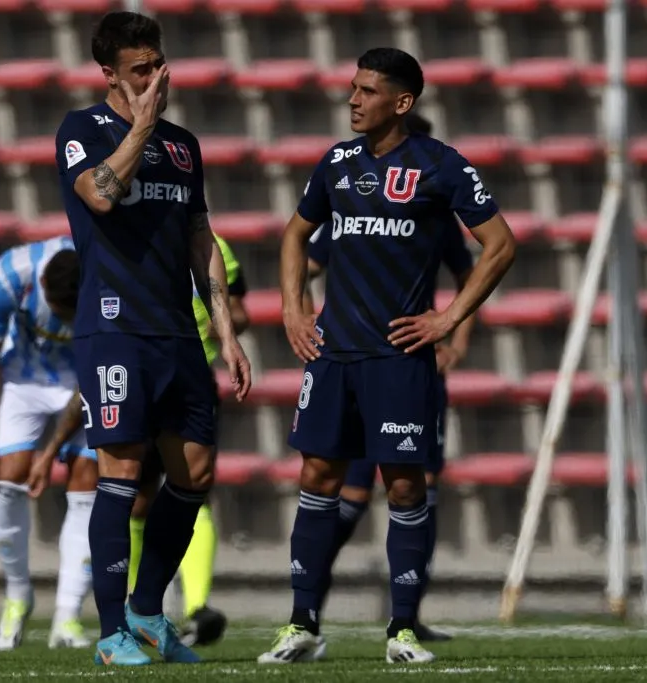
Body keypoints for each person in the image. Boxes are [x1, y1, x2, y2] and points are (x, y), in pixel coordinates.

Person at [260, 47, 515, 665]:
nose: (353, 99)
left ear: (402, 103)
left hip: (398, 359)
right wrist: (294, 308)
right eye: (353, 88)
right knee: (316, 478)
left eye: (368, 91)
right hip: (333, 356)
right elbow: (296, 233)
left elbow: (500, 245)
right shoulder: (337, 163)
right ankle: (302, 625)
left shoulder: (441, 165)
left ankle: (401, 629)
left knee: (404, 486)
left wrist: (451, 318)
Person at [54, 10, 251, 667]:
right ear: (109, 73)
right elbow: (101, 197)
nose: (155, 78)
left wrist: (227, 330)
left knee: (194, 470)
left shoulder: (183, 146)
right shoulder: (82, 131)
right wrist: (139, 126)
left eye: (158, 64)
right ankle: (111, 632)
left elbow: (202, 238)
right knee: (121, 470)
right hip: (113, 329)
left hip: (176, 331)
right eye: (141, 69)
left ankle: (145, 609)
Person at [304, 113, 474, 651]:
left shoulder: (435, 204)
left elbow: (470, 271)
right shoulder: (349, 192)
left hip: (405, 364)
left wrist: (453, 335)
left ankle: (407, 615)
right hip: (350, 363)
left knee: (412, 486)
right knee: (346, 489)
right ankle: (308, 608)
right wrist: (308, 318)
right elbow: (308, 259)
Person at [33, 232, 251, 648]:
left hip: (190, 366)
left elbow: (238, 311)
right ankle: (131, 615)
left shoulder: (215, 246)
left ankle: (191, 607)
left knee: (191, 482)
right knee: (132, 491)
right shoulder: (123, 243)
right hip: (136, 363)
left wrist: (214, 322)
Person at [0, 239, 93, 652]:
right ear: (42, 284)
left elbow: (93, 373)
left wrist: (51, 450)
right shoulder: (8, 276)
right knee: (7, 479)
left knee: (88, 482)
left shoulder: (103, 282)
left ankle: (68, 616)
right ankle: (17, 595)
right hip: (22, 381)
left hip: (80, 384)